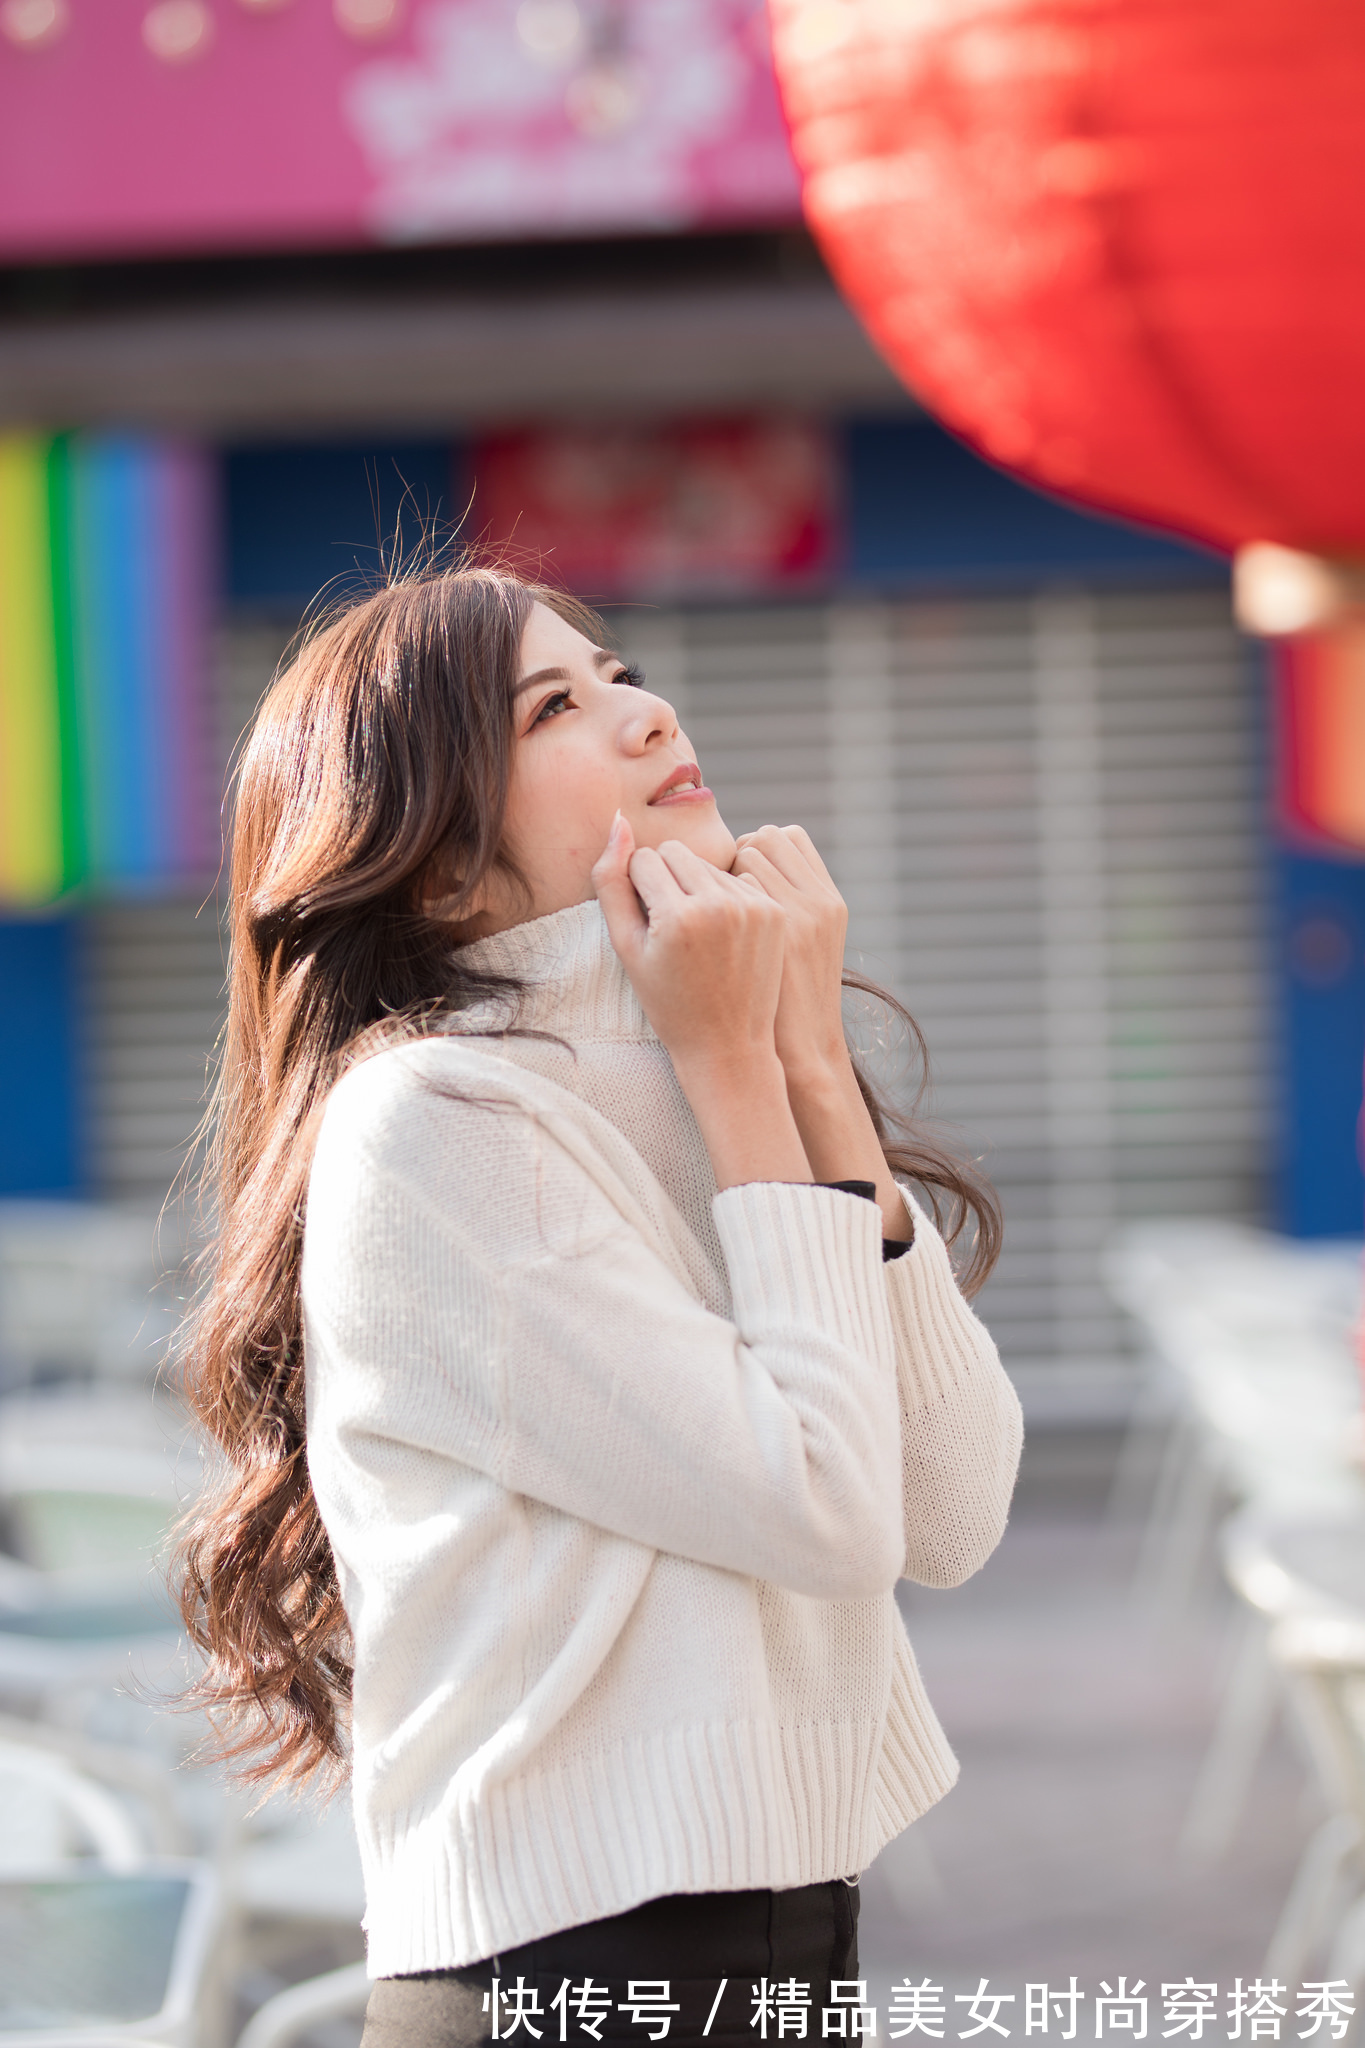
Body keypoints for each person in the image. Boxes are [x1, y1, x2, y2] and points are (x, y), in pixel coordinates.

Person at [176, 565, 1023, 2048]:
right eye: (553, 708)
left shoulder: (699, 1068)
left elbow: (948, 1512)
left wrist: (806, 1061)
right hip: (565, 1967)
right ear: (442, 870)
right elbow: (827, 1511)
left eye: (618, 674)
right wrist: (740, 1068)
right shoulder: (434, 1123)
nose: (647, 714)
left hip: (772, 1939)